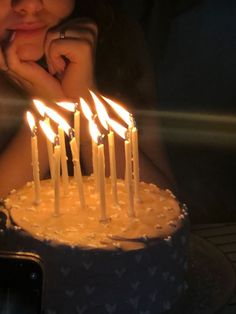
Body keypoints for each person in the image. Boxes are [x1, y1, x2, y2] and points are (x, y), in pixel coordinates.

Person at [0, 0, 173, 199]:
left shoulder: (115, 40)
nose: (29, 5)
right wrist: (50, 112)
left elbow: (161, 209)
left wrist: (85, 100)